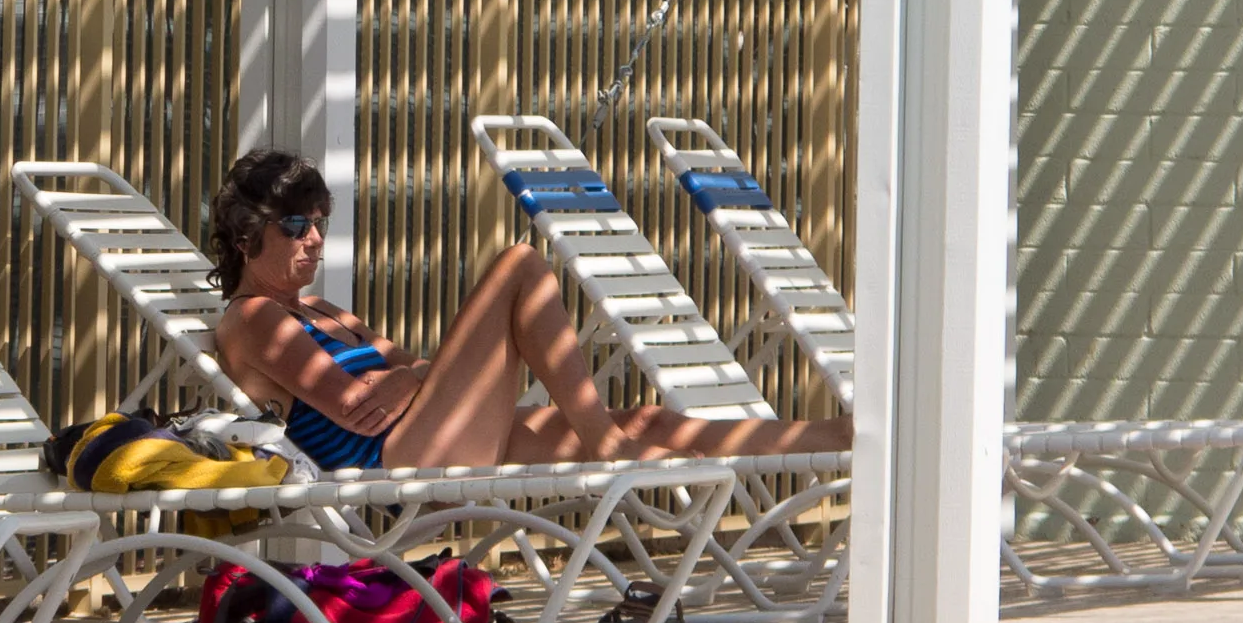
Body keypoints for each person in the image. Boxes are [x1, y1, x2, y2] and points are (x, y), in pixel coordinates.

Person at [211, 148, 851, 471]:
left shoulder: (319, 309)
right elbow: (355, 408)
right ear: (246, 236)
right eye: (296, 224)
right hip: (397, 456)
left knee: (650, 421)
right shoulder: (255, 319)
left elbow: (410, 372)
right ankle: (605, 444)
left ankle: (841, 441)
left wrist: (409, 376)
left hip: (430, 430)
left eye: (320, 222)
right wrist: (409, 377)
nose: (315, 239)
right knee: (519, 265)